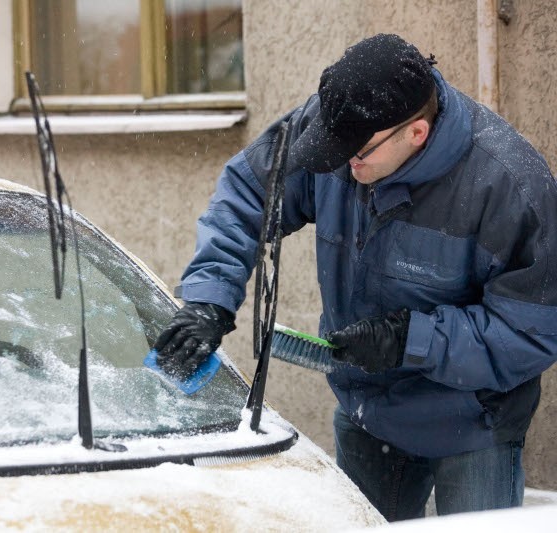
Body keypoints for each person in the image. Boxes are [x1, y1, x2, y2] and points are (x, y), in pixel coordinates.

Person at [153, 33, 557, 521]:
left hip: (473, 426)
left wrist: (410, 339)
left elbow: (532, 331)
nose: (344, 163)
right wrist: (209, 298)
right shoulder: (343, 132)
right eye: (334, 147)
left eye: (358, 153)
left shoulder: (510, 188)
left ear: (416, 134)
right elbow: (247, 194)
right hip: (366, 415)